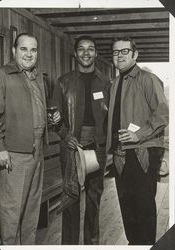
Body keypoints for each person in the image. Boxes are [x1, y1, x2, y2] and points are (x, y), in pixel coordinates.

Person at [0, 33, 59, 245]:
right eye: (24, 49)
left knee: (32, 209)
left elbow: (33, 112)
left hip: (38, 152)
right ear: (14, 51)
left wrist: (51, 119)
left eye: (33, 50)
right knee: (13, 210)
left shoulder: (38, 78)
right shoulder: (2, 75)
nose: (29, 54)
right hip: (14, 154)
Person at [106, 37, 169, 245]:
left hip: (142, 152)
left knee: (143, 209)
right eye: (116, 52)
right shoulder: (115, 83)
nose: (120, 56)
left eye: (125, 51)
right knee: (127, 208)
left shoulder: (147, 79)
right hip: (122, 154)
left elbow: (162, 115)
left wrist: (138, 134)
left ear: (135, 54)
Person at [52, 35, 111, 245]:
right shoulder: (63, 82)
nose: (86, 53)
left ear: (95, 53)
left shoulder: (106, 82)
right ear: (75, 53)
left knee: (94, 201)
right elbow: (54, 117)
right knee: (71, 200)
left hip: (97, 148)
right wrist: (65, 136)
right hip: (71, 147)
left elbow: (110, 117)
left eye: (91, 49)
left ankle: (91, 244)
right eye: (82, 49)